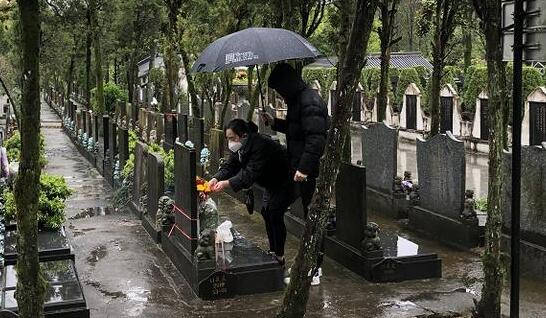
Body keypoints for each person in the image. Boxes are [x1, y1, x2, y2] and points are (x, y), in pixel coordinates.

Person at [262, 62, 329, 285]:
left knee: (313, 217)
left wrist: (304, 168)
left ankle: (314, 268)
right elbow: (297, 129)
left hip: (308, 172)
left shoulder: (310, 100)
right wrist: (275, 123)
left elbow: (316, 138)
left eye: (279, 89)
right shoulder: (297, 100)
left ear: (288, 83)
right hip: (296, 168)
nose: (279, 94)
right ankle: (279, 256)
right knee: (275, 207)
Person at [210, 119, 292, 265]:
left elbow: (249, 174)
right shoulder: (240, 146)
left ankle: (279, 256)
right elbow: (230, 165)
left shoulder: (260, 145)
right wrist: (216, 178)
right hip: (270, 182)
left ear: (243, 135)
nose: (230, 142)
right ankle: (273, 251)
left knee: (274, 213)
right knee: (266, 212)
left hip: (284, 179)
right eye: (228, 138)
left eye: (232, 138)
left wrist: (226, 183)